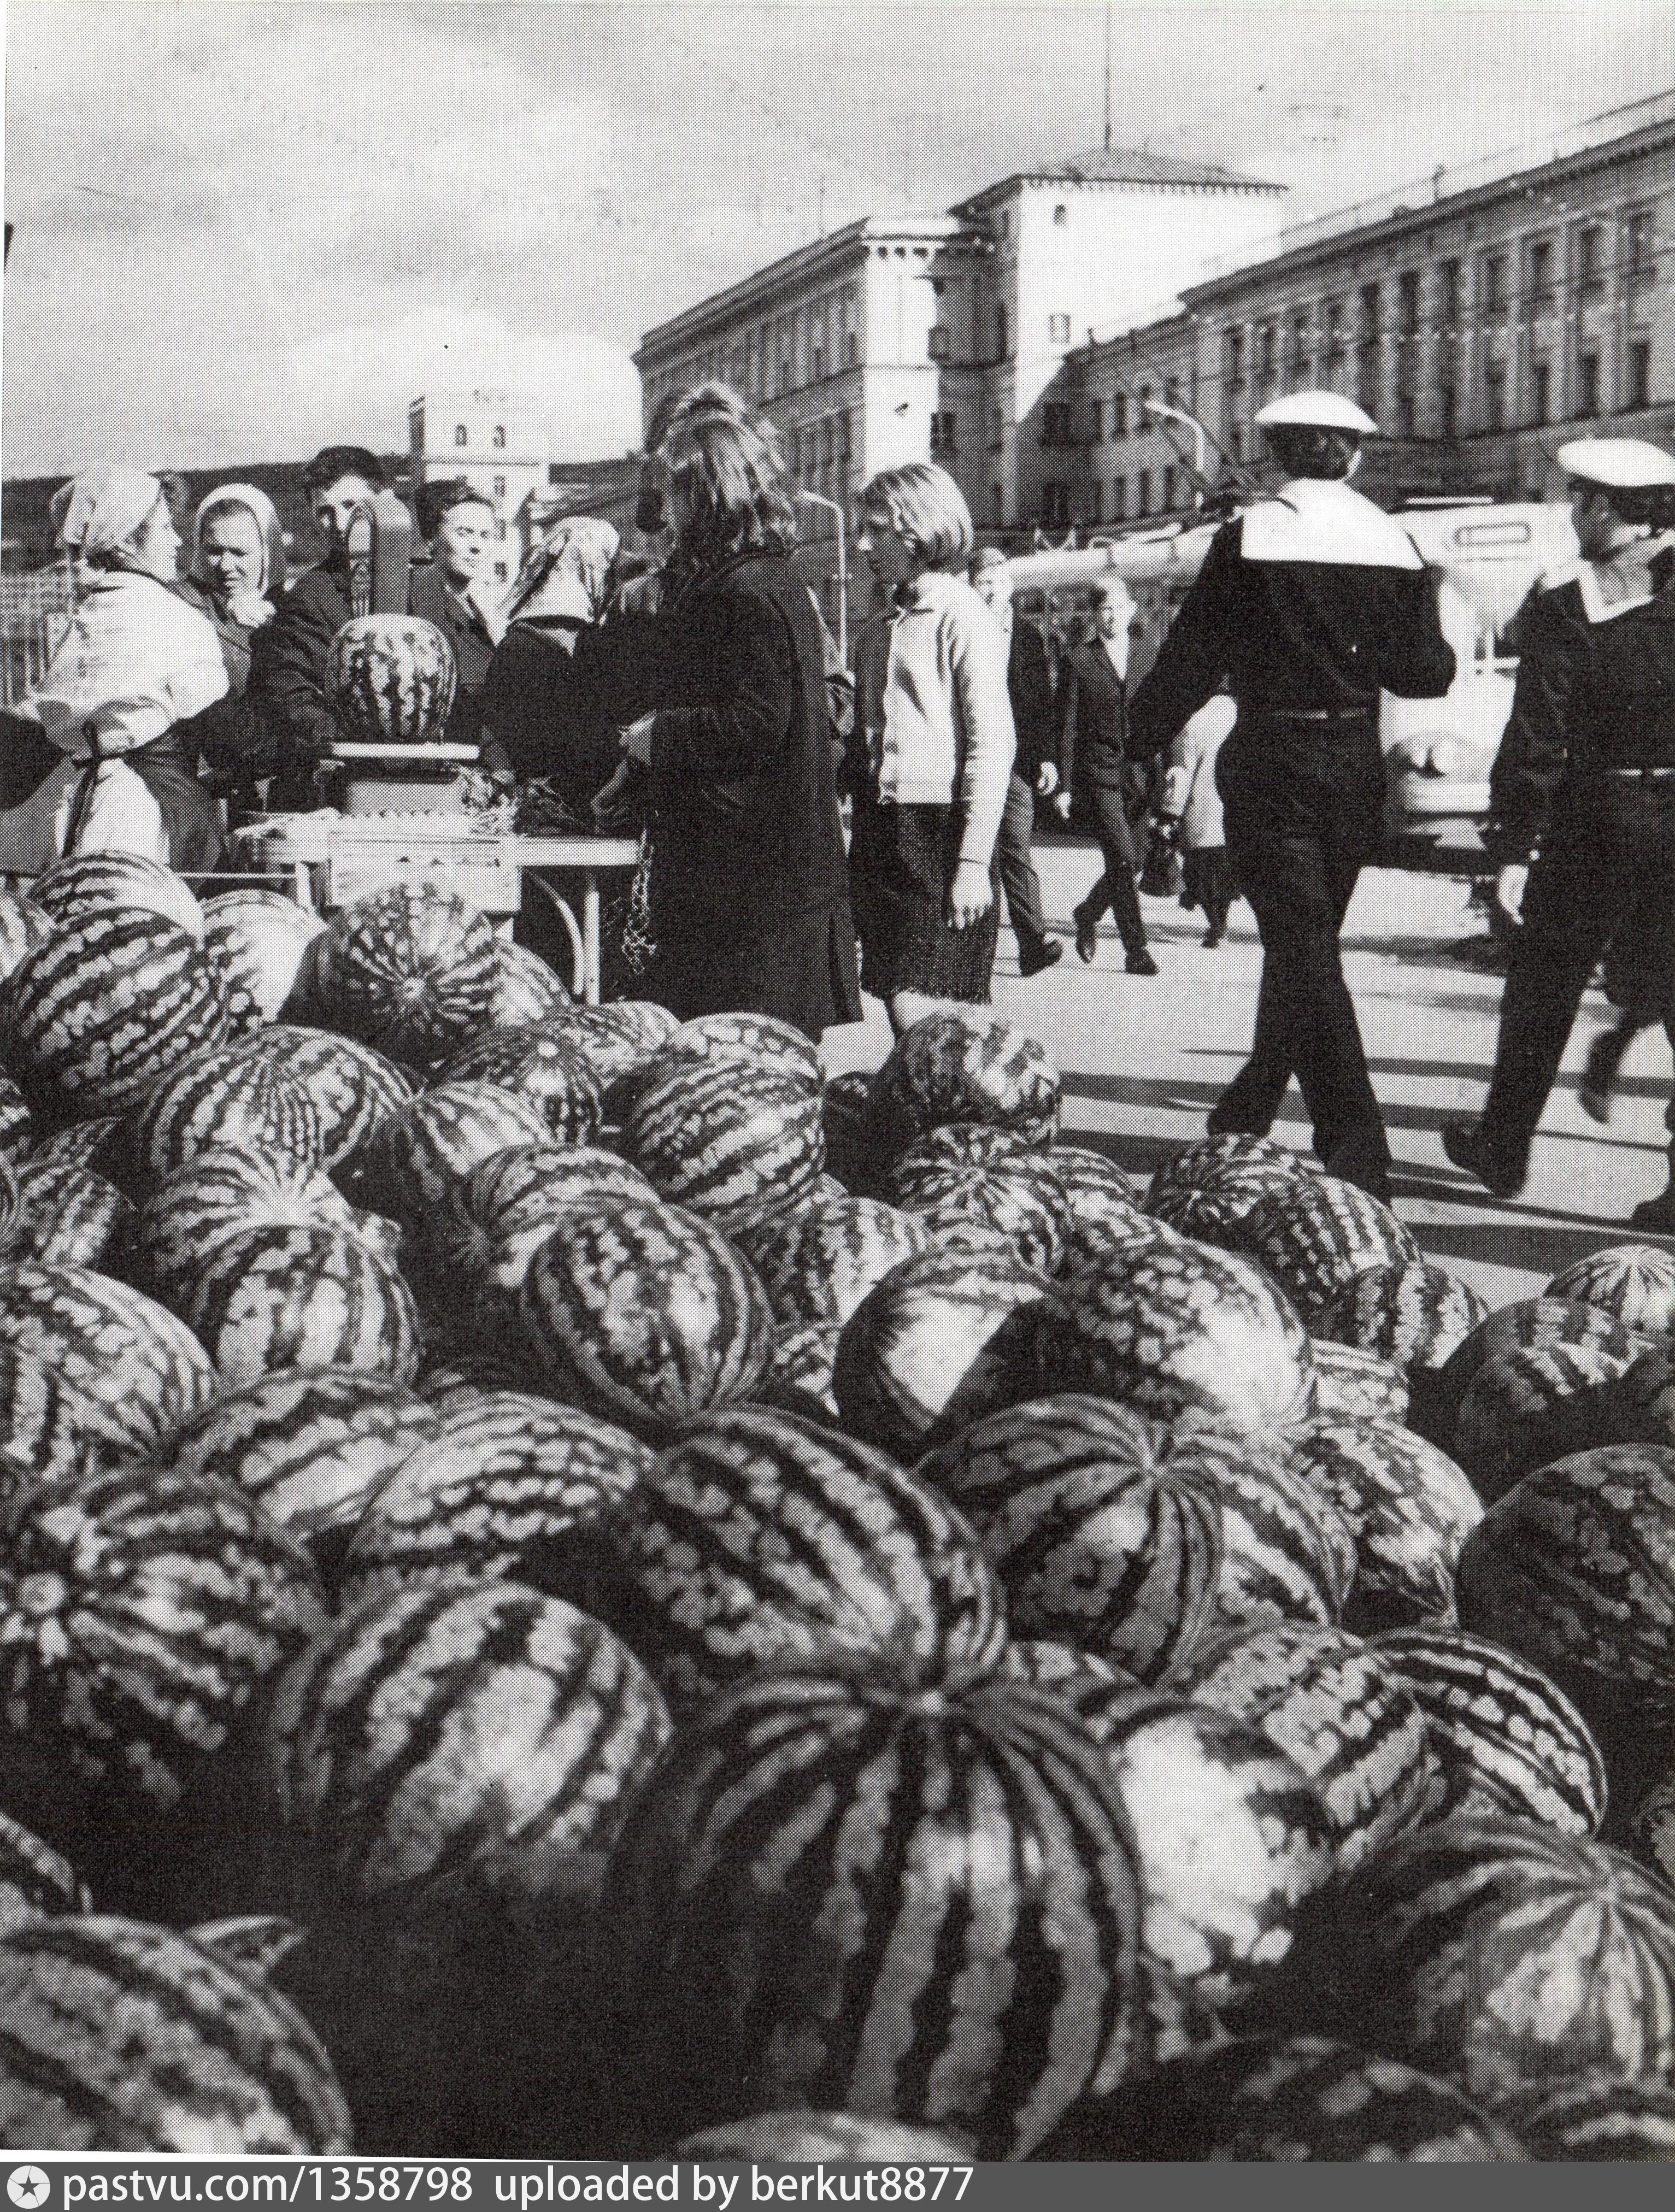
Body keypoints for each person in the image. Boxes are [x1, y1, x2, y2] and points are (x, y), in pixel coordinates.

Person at [1127, 391, 1456, 1203]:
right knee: (1306, 942)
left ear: (1274, 453)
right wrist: (1427, 601)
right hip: (1353, 765)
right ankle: (1254, 1095)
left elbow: (1191, 657)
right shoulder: (1395, 541)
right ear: (1353, 456)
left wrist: (1133, 744)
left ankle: (1356, 1145)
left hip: (1269, 757)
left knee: (1302, 947)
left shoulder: (1250, 537)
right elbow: (1427, 675)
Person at [1443, 437, 1675, 1231]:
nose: (1573, 515)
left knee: (1542, 989)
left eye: (1578, 500)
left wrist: (1512, 846)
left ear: (1605, 507)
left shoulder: (1567, 602)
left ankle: (1502, 1148)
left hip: (1593, 823)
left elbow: (1536, 737)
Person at [604, 387, 861, 1039]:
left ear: (707, 495)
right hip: (776, 877)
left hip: (753, 885)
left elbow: (755, 723)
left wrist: (656, 737)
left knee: (744, 1074)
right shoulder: (770, 577)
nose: (667, 512)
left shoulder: (740, 593)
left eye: (678, 493)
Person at [849, 462, 1015, 1033]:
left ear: (918, 531)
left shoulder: (962, 616)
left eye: (875, 530)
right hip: (882, 833)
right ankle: (926, 1116)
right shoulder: (877, 629)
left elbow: (991, 745)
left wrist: (971, 861)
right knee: (905, 1002)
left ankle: (951, 1112)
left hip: (940, 837)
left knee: (929, 1009)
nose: (861, 544)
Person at [3, 468, 230, 870]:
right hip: (153, 813)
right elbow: (224, 727)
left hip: (72, 805)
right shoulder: (178, 620)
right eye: (165, 528)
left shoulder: (88, 618)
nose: (177, 541)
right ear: (126, 542)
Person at [248, 444, 385, 809]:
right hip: (345, 780)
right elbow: (292, 693)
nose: (339, 525)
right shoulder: (311, 595)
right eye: (324, 512)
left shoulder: (427, 583)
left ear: (382, 504)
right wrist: (356, 742)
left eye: (350, 507)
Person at [969, 546, 1062, 978]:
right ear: (972, 585)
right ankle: (978, 954)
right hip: (972, 756)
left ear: (1010, 586)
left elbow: (1043, 700)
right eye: (983, 582)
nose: (991, 590)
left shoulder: (1027, 635)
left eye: (998, 581)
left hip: (1017, 761)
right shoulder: (964, 626)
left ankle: (1032, 944)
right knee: (978, 856)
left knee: (1016, 851)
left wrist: (1045, 757)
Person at [1057, 579, 1158, 975]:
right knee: (1122, 856)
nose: (1112, 616)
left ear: (1131, 609)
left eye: (1118, 608)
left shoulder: (1147, 656)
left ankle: (1088, 912)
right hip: (1097, 772)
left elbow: (1160, 714)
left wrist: (1175, 764)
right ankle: (1137, 950)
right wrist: (1064, 786)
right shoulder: (1078, 660)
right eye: (1104, 610)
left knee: (1129, 863)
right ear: (1095, 616)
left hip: (1139, 774)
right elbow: (1065, 725)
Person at [172, 483, 287, 821]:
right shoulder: (184, 607)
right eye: (214, 551)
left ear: (266, 551)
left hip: (278, 782)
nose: (225, 565)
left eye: (240, 553)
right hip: (205, 786)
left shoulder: (289, 610)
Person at [408, 478, 502, 752]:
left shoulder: (489, 607)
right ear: (431, 540)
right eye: (465, 533)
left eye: (486, 536)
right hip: (438, 757)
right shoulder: (415, 598)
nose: (478, 546)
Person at [1161, 690, 1239, 947]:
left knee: (1202, 872)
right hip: (1234, 813)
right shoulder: (1245, 717)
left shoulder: (1196, 721)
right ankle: (1220, 923)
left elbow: (1181, 773)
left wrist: (1170, 812)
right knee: (1225, 873)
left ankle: (1216, 925)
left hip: (1203, 816)